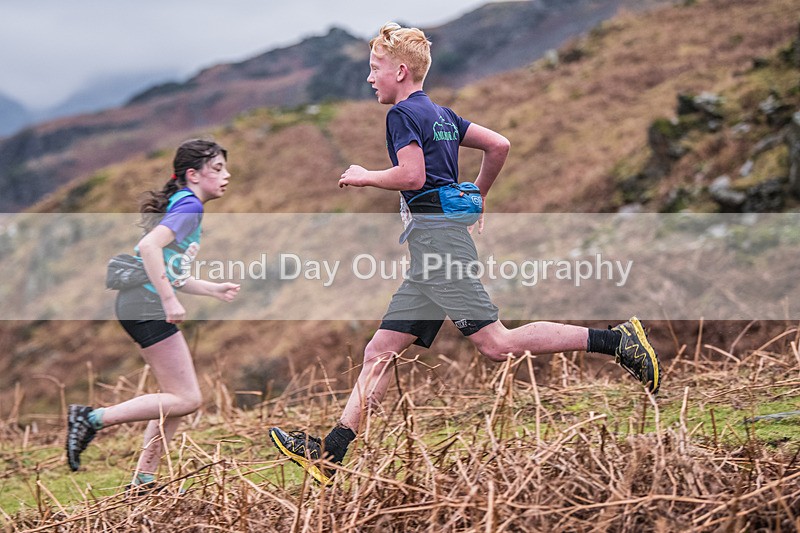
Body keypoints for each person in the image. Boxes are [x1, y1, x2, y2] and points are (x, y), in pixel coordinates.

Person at [269, 23, 661, 486]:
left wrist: (364, 175)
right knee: (381, 349)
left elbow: (412, 177)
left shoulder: (400, 117)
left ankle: (618, 341)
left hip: (439, 247)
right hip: (431, 251)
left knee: (498, 344)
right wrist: (478, 194)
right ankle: (330, 453)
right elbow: (499, 145)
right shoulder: (441, 114)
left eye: (374, 69)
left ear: (399, 70)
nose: (370, 79)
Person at [66, 139, 241, 492]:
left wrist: (210, 289)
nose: (227, 176)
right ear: (193, 174)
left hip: (139, 303)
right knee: (187, 399)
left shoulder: (184, 203)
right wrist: (168, 300)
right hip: (145, 305)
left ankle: (144, 480)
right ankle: (92, 418)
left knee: (175, 398)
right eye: (218, 169)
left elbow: (169, 267)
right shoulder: (190, 206)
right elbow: (149, 248)